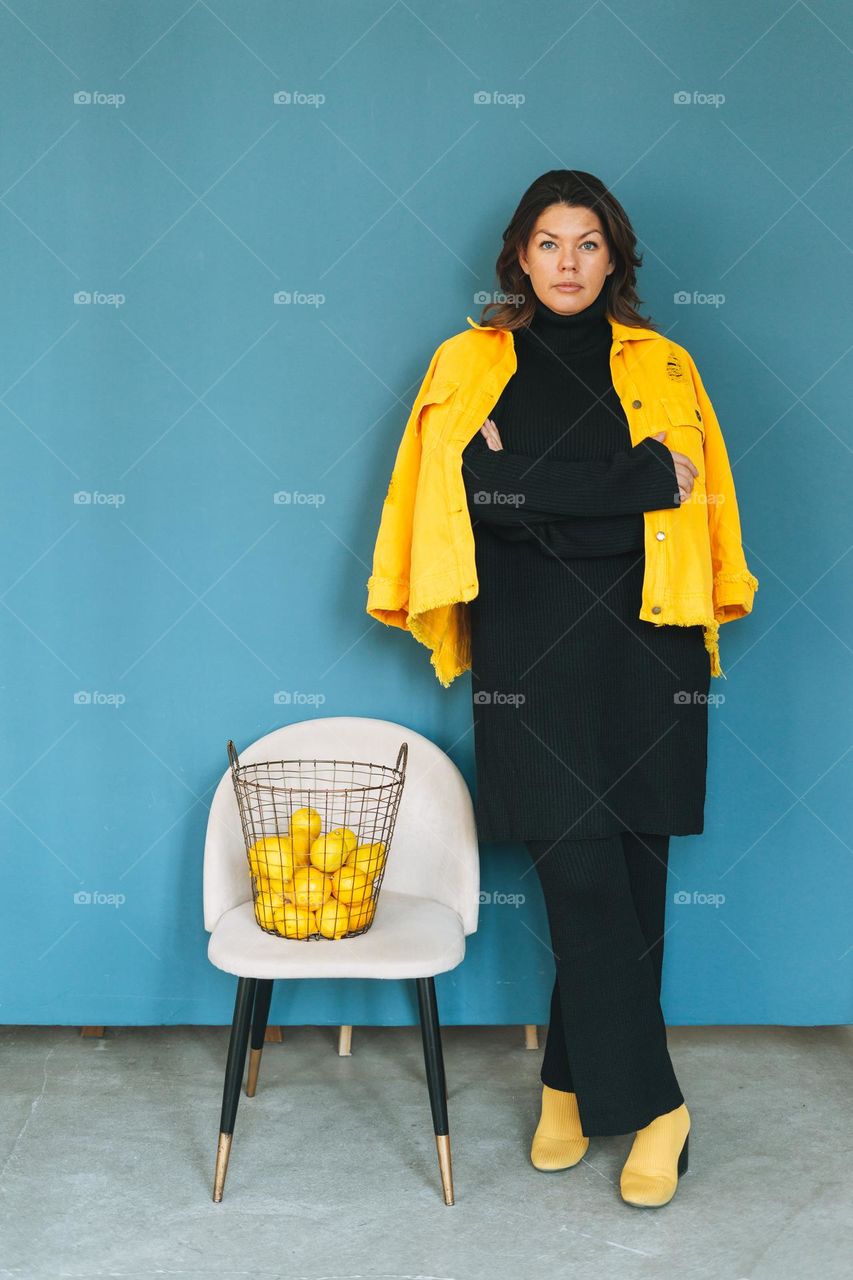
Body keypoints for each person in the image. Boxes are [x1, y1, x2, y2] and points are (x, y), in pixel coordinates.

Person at [459, 169, 745, 1208]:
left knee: (632, 880)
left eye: (587, 244)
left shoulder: (666, 364)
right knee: (575, 871)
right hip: (525, 660)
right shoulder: (471, 363)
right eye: (548, 243)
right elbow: (474, 496)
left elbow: (687, 488)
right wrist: (625, 484)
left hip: (648, 647)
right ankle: (659, 1104)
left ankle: (566, 1086)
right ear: (518, 256)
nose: (568, 263)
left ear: (613, 256)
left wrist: (535, 490)